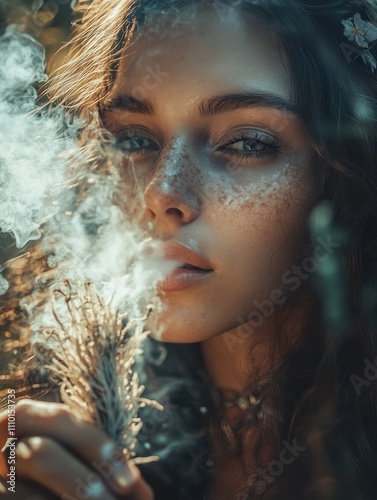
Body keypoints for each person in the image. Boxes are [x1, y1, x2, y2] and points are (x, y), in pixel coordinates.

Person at [1, 0, 377, 498]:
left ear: (347, 173)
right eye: (135, 138)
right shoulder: (71, 426)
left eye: (246, 142)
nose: (160, 192)